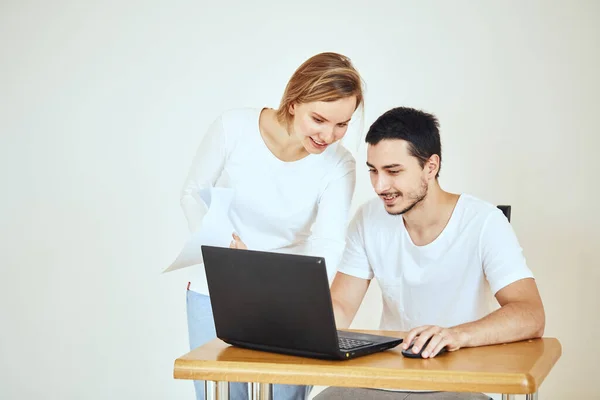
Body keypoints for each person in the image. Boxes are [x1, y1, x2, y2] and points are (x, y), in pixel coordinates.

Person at [315, 106, 546, 400]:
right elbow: (342, 305)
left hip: (460, 384)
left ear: (430, 166)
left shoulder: (484, 221)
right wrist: (300, 329)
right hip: (386, 379)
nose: (379, 185)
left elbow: (530, 314)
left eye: (393, 171)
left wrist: (456, 335)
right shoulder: (368, 218)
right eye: (373, 171)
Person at [179, 52, 365, 400]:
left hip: (289, 300)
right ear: (294, 103)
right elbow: (191, 193)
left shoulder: (340, 165)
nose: (329, 135)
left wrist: (303, 302)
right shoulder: (233, 127)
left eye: (343, 124)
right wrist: (223, 246)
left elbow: (329, 241)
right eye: (320, 119)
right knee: (219, 393)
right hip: (217, 286)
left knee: (284, 395)